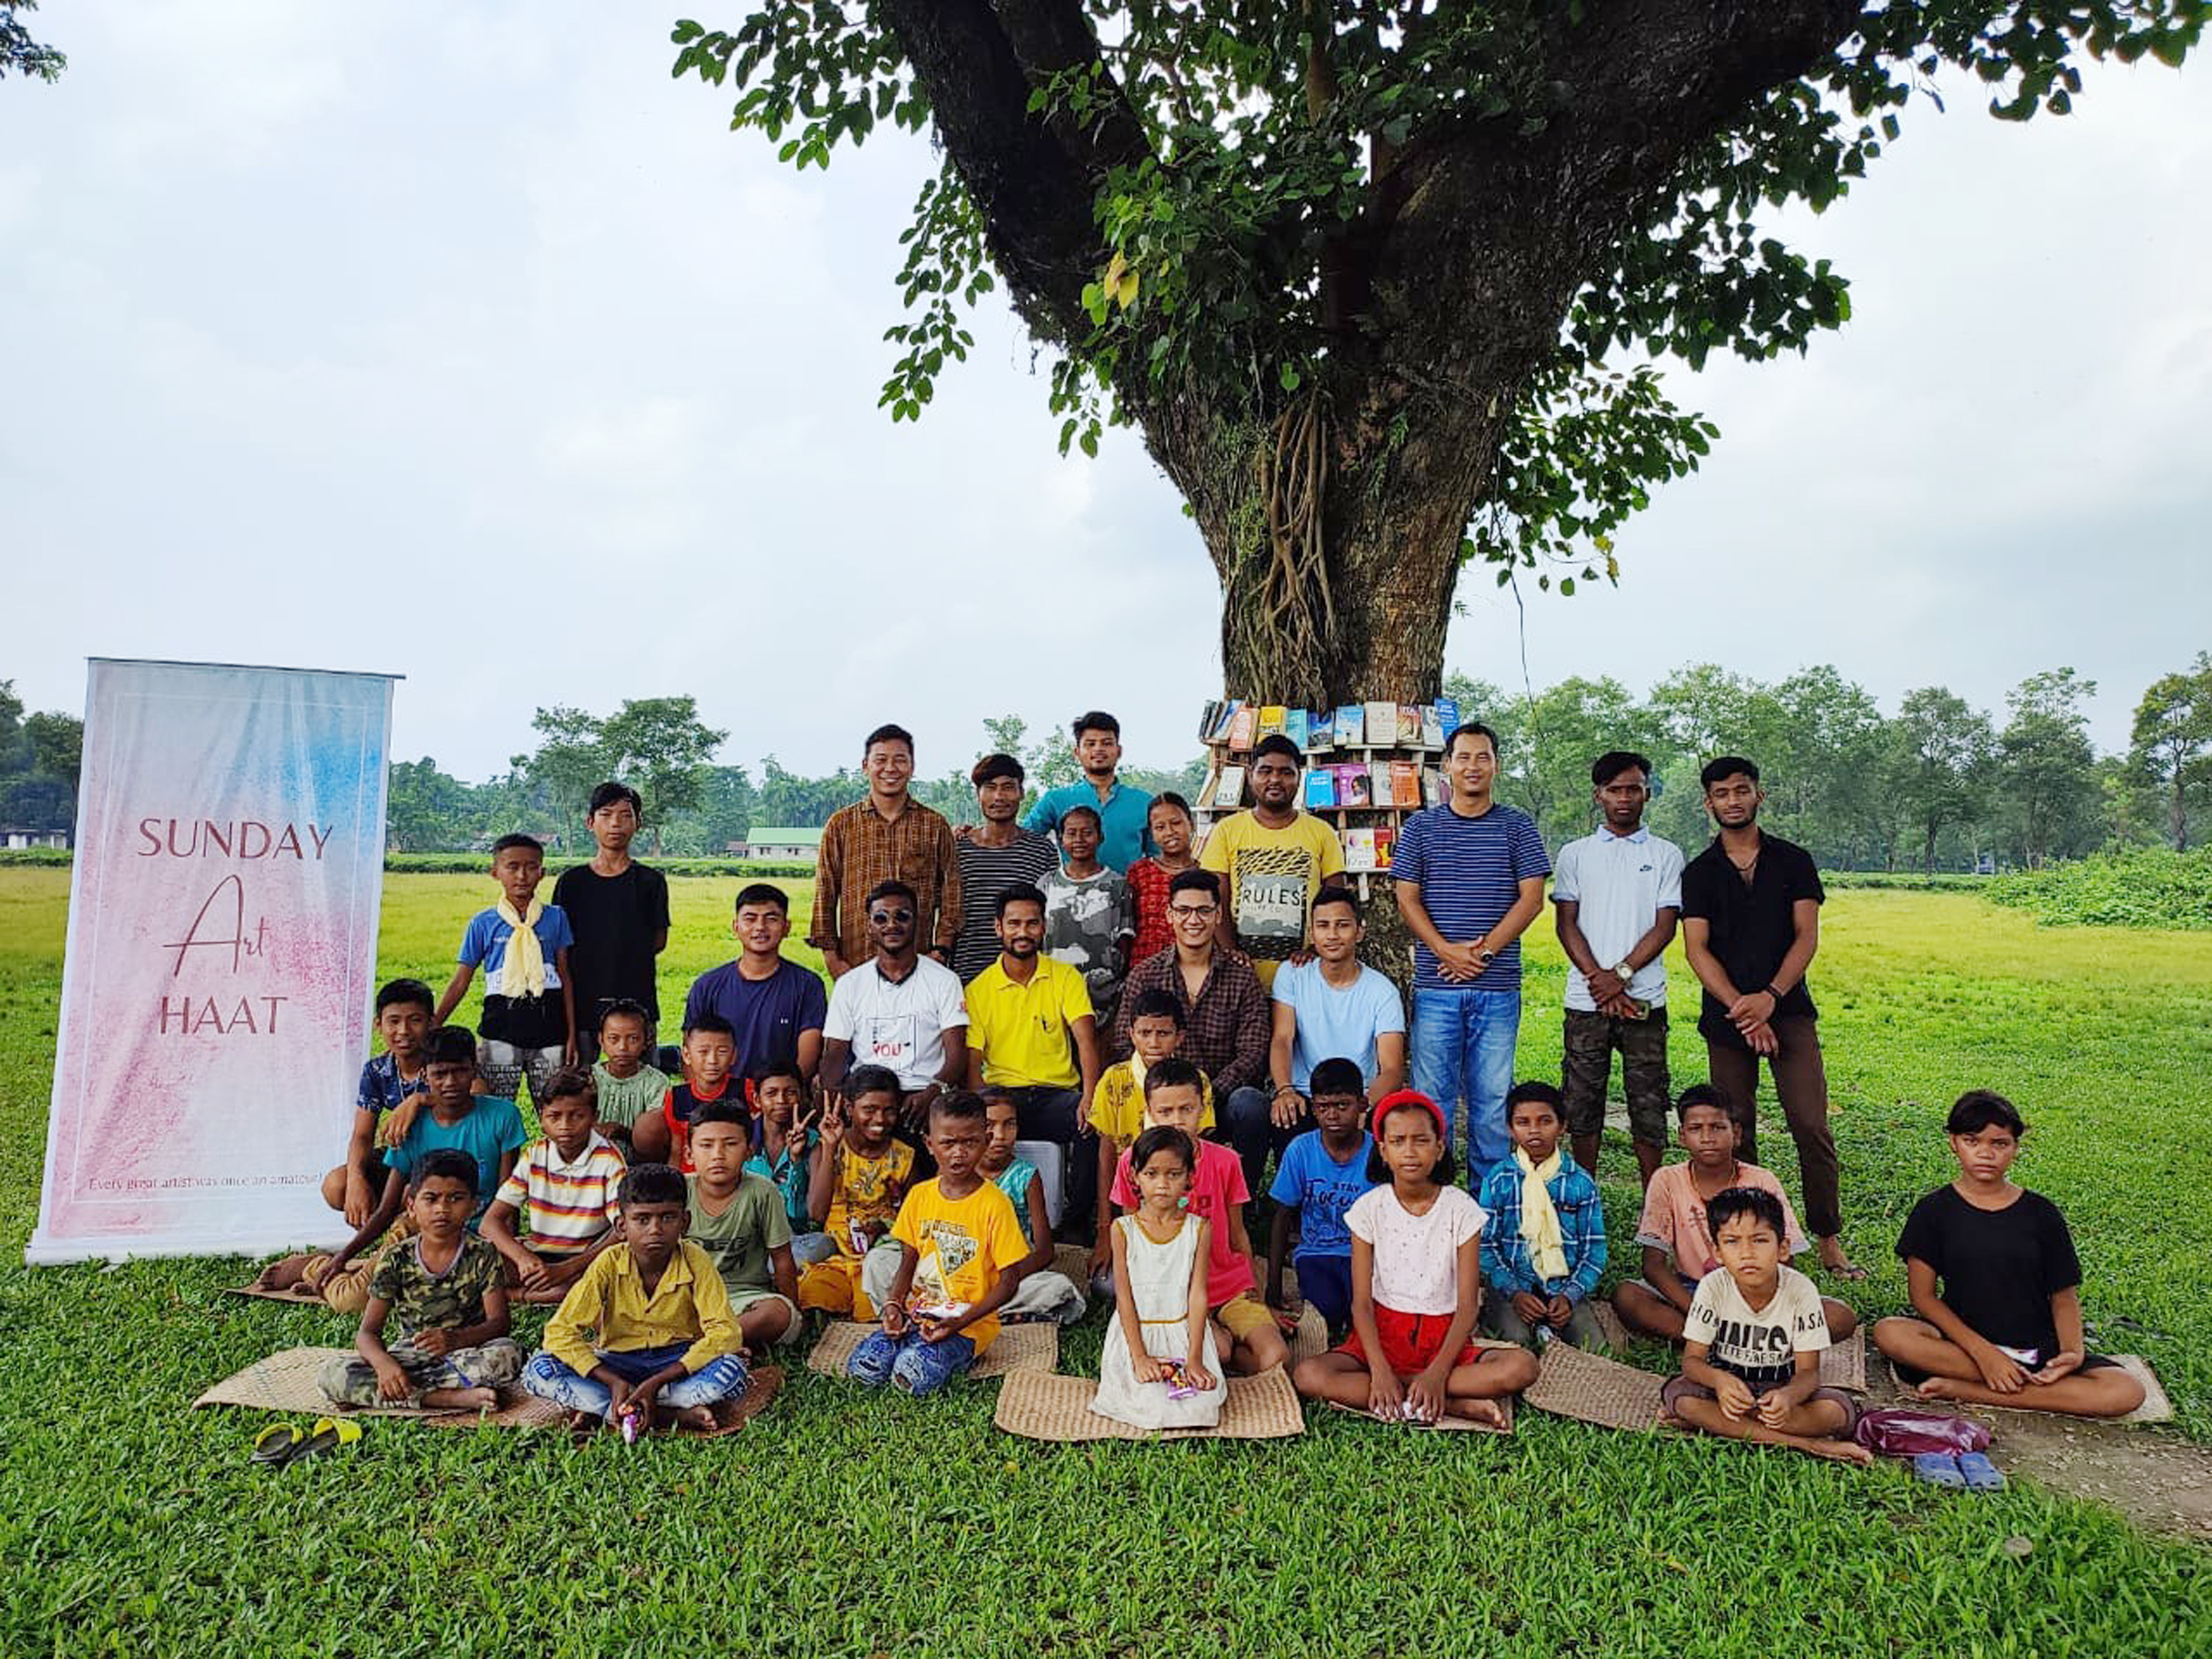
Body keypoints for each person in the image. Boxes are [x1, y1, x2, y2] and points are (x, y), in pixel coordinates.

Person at [1679, 756, 1862, 1278]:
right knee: (1736, 1128)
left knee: (1810, 1123)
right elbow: (1697, 948)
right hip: (1728, 1019)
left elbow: (1807, 935)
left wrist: (1771, 998)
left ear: (1760, 795)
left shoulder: (1792, 860)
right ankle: (1746, 1236)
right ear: (1708, 803)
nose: (1732, 800)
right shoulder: (1700, 871)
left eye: (1742, 790)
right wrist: (1745, 1009)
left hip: (1790, 1011)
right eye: (1721, 793)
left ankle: (1827, 1238)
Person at [1873, 1091, 2145, 1419]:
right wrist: (1984, 1354)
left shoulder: (2041, 1213)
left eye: (1999, 1143)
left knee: (2125, 1391)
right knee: (1890, 1332)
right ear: (1953, 1143)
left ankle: (1974, 1391)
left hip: (2036, 1346)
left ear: (2016, 1147)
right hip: (1963, 1347)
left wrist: (2072, 1353)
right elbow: (1923, 1297)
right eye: (1972, 1141)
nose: (1985, 1153)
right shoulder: (1933, 1212)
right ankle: (2010, 1381)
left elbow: (2063, 1295)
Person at [1291, 1089, 1538, 1425]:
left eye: (1421, 1140)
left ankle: (1424, 1391)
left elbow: (1468, 1306)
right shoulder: (1369, 1209)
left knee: (1523, 1367)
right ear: (1383, 1151)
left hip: (1444, 1338)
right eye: (1398, 1141)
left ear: (1439, 1148)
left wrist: (1437, 1373)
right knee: (1308, 1375)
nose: (1409, 1152)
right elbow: (1361, 1302)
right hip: (1383, 1335)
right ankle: (1453, 1403)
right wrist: (1379, 1370)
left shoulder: (1461, 1209)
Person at [1391, 722, 1549, 1178]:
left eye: (1483, 757)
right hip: (1436, 987)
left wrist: (1482, 954)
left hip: (1497, 988)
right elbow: (1407, 897)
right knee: (1432, 1100)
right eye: (1464, 757)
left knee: (1492, 1101)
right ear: (1447, 766)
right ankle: (1434, 1197)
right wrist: (1444, 951)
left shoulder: (1516, 825)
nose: (1473, 766)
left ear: (1496, 765)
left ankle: (1489, 1205)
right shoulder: (1421, 826)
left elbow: (1532, 898)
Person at [1612, 1085, 1856, 1342]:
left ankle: (1720, 1340)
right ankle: (1737, 1342)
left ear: (1736, 1133)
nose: (1707, 1137)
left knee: (1839, 1316)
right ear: (1682, 1136)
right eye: (1696, 1129)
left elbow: (1784, 1261)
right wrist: (1700, 1312)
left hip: (1755, 1291)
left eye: (1718, 1127)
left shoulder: (1761, 1180)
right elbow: (1653, 1265)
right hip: (1693, 1290)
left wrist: (1754, 1307)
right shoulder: (1667, 1179)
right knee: (1628, 1296)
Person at [309, 1026, 528, 1313]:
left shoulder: (503, 1116)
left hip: (479, 1238)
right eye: (440, 1074)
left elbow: (507, 1202)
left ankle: (363, 1266)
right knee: (352, 1300)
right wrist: (342, 1256)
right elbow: (387, 1210)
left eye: (460, 1071)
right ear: (425, 1075)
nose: (450, 1082)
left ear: (474, 1069)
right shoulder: (412, 1126)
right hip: (422, 1235)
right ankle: (314, 1266)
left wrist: (500, 1254)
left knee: (508, 1278)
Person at [521, 1162, 750, 1433]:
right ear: (621, 1225)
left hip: (675, 1363)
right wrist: (613, 1381)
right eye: (642, 1219)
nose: (655, 1229)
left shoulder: (696, 1260)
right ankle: (666, 1413)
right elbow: (559, 1332)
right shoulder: (608, 1262)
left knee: (731, 1372)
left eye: (668, 1217)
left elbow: (726, 1332)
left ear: (685, 1222)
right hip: (617, 1364)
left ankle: (611, 1408)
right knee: (538, 1370)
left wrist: (656, 1382)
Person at [1661, 1185, 1870, 1465]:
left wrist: (1789, 1396)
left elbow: (1809, 1373)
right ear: (1718, 1252)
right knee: (1682, 1397)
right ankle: (1806, 1444)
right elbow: (1692, 1362)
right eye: (1732, 1242)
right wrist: (1720, 1381)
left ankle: (1721, 1424)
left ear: (1782, 1248)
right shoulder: (1713, 1287)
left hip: (1780, 1385)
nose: (1746, 1253)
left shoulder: (1800, 1290)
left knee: (1837, 1411)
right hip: (1730, 1387)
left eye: (1759, 1240)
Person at [1107, 1059, 1288, 1376]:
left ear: (1203, 1107)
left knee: (1276, 1355)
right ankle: (1223, 1350)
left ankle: (1229, 1347)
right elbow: (1135, 1246)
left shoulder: (1226, 1162)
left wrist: (1256, 1295)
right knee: (1216, 1349)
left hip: (1227, 1286)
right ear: (1148, 1110)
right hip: (1172, 1293)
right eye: (1165, 1111)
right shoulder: (1132, 1163)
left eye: (1186, 1109)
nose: (1177, 1120)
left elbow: (1238, 1234)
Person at [1551, 750, 1683, 1185]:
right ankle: (1585, 1194)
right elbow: (1566, 923)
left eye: (1633, 789)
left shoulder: (1666, 854)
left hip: (1643, 999)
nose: (1624, 798)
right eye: (1614, 790)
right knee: (1582, 1100)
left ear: (1647, 792)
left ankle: (1656, 1200)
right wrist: (1599, 981)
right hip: (1585, 1001)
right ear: (1598, 795)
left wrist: (1620, 976)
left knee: (1648, 1102)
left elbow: (1665, 926)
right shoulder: (1575, 854)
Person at [847, 1091, 1028, 1397]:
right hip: (916, 1314)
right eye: (948, 1143)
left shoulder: (995, 1204)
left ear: (984, 1141)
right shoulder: (920, 1195)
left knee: (913, 1374)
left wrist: (960, 1321)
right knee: (864, 1366)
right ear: (930, 1145)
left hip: (968, 1327)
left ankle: (934, 1352)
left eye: (969, 1143)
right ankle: (909, 1342)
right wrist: (893, 1305)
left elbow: (1009, 1282)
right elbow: (908, 1260)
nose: (959, 1153)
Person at [319, 1148, 522, 1411]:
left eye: (455, 1198)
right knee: (333, 1374)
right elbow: (367, 1334)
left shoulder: (483, 1253)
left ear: (473, 1206)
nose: (442, 1208)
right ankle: (441, 1398)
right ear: (412, 1206)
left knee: (508, 1355)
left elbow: (500, 1323)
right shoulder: (396, 1257)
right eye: (431, 1198)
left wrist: (456, 1339)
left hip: (467, 1352)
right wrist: (385, 1366)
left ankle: (397, 1395)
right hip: (411, 1354)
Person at [1111, 869, 1272, 1197]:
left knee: (1252, 1105)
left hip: (1222, 1096)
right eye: (1183, 910)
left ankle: (1241, 1202)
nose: (1193, 920)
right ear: (1170, 915)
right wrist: (1169, 1097)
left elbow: (1254, 1053)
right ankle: (1126, 1204)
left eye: (1203, 910)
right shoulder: (1146, 974)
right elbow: (1123, 1042)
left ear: (1218, 915)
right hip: (1158, 1100)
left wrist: (1206, 1094)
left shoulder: (1242, 978)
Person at [963, 883, 1101, 1239]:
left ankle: (1075, 1224)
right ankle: (975, 1215)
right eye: (1014, 924)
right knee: (965, 1127)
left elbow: (1085, 1039)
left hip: (1056, 1093)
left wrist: (1089, 1096)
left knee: (1093, 1124)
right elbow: (973, 1059)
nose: (1022, 932)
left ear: (1044, 927)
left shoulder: (1065, 977)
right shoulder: (979, 989)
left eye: (1031, 923)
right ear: (998, 928)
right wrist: (978, 1108)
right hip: (1001, 1093)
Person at [1090, 1125, 1224, 1430]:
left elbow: (1197, 1294)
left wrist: (1194, 1358)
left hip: (1184, 1334)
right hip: (1136, 1336)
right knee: (1150, 1405)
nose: (1162, 1184)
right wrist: (1139, 1358)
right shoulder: (1122, 1229)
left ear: (1190, 1177)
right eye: (1151, 1174)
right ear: (1135, 1176)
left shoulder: (1198, 1229)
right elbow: (1124, 1297)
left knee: (1201, 1406)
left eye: (1173, 1174)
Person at [432, 834, 577, 1106]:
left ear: (542, 872)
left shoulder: (556, 917)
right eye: (512, 867)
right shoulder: (483, 923)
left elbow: (565, 976)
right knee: (494, 1109)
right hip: (500, 1030)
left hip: (550, 1030)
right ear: (495, 872)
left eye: (531, 867)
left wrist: (571, 1035)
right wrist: (435, 1022)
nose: (522, 875)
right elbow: (462, 979)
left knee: (556, 1107)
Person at [810, 722, 962, 979]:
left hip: (920, 965)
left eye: (900, 760)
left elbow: (952, 894)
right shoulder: (841, 824)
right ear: (865, 766)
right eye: (881, 760)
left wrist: (940, 950)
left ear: (912, 767)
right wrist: (832, 958)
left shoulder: (934, 825)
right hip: (856, 965)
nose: (890, 768)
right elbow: (825, 893)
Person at [818, 878, 969, 1129]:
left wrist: (934, 1091)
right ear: (869, 926)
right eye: (881, 918)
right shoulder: (849, 985)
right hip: (868, 1097)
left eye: (902, 917)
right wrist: (836, 1103)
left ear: (917, 923)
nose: (892, 925)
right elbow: (834, 1056)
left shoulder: (944, 980)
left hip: (925, 1096)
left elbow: (957, 1056)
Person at [1200, 733, 1344, 992]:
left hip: (1304, 977)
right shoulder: (1227, 831)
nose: (1275, 779)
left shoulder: (1322, 833)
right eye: (1265, 771)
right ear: (1251, 774)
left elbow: (1336, 902)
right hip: (1240, 979)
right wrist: (1231, 952)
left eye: (1286, 772)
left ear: (1299, 778)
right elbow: (1214, 899)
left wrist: (1314, 948)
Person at [1268, 885, 1407, 1150]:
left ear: (1360, 931)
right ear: (1312, 933)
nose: (1332, 935)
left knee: (1385, 1126)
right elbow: (1282, 1038)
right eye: (1323, 926)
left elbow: (1391, 1068)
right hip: (1306, 1096)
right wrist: (1284, 1090)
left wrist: (1362, 1106)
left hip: (1360, 1098)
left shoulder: (1382, 991)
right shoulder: (1292, 975)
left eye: (1342, 925)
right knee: (1286, 1116)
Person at [1086, 988, 1219, 1266]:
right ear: (1131, 1034)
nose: (1154, 1043)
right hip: (1130, 1197)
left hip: (1184, 1199)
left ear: (1179, 1036)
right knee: (1109, 1284)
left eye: (1164, 1033)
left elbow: (1200, 1156)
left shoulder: (1195, 1082)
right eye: (1145, 1033)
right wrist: (1103, 1229)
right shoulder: (1114, 1080)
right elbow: (1106, 1153)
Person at [1475, 1082, 1608, 1350]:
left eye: (1545, 1121)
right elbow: (1485, 1245)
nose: (1534, 1130)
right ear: (1510, 1130)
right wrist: (1514, 1293)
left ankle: (1551, 1324)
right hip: (1513, 1286)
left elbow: (1595, 1249)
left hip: (1563, 1286)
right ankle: (1528, 1324)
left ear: (1562, 1126)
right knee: (1517, 1341)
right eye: (1523, 1122)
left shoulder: (1580, 1182)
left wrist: (1571, 1296)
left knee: (1594, 1346)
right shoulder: (1499, 1179)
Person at [479, 1066, 627, 1305]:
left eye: (577, 1116)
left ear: (594, 1116)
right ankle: (543, 1290)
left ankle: (518, 1295)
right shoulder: (536, 1155)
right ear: (541, 1118)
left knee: (609, 1274)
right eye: (554, 1116)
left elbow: (622, 1230)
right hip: (540, 1254)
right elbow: (490, 1223)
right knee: (479, 1256)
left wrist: (565, 1269)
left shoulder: (609, 1160)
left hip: (585, 1258)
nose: (565, 1126)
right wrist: (523, 1259)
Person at [551, 781, 670, 1061]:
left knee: (643, 1082)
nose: (615, 823)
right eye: (606, 815)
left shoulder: (651, 882)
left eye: (625, 815)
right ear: (590, 822)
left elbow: (658, 940)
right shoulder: (571, 883)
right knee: (580, 1084)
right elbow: (561, 949)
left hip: (637, 1001)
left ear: (638, 823)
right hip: (582, 1004)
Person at [1263, 1058, 1375, 1339]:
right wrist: (1273, 1285)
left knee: (1365, 1311)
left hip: (1367, 1255)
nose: (1333, 1115)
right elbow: (1282, 1215)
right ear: (1314, 1109)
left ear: (1361, 1105)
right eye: (1324, 1107)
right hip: (1316, 1253)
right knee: (1327, 1311)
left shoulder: (1377, 1151)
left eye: (1342, 1105)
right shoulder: (1301, 1150)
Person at [796, 1066, 916, 1318]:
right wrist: (830, 1147)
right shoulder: (826, 1149)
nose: (880, 1120)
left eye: (889, 1110)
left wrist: (883, 1227)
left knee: (870, 1309)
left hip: (880, 1257)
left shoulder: (905, 1157)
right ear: (850, 1109)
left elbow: (913, 1220)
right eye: (869, 1110)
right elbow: (817, 1213)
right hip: (835, 1255)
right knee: (813, 1295)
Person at [683, 883, 828, 1087]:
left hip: (780, 1102)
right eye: (750, 919)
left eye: (771, 918)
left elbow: (809, 1053)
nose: (760, 927)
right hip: (721, 1105)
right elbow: (691, 1051)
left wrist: (781, 1097)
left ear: (787, 927)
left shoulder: (807, 985)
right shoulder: (707, 986)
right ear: (736, 927)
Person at [685, 1098, 802, 1350]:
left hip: (743, 1298)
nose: (718, 1155)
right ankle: (721, 1345)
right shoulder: (677, 1191)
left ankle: (701, 1346)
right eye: (706, 1145)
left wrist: (794, 1310)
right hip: (686, 1296)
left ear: (749, 1150)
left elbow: (782, 1258)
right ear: (689, 1153)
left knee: (778, 1314)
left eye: (730, 1144)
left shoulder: (763, 1191)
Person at [321, 976, 434, 1227]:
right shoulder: (377, 1070)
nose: (403, 1031)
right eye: (393, 1021)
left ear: (431, 1023)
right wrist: (356, 1179)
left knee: (413, 1195)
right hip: (399, 1157)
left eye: (415, 1020)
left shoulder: (441, 1058)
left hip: (441, 1158)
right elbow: (362, 1135)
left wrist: (421, 1099)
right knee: (336, 1185)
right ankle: (395, 1221)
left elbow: (477, 1094)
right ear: (378, 1025)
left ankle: (407, 1227)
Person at [976, 1088, 1086, 1324]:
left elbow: (1045, 1251)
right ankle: (998, 1313)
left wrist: (1004, 1280)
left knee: (1057, 1289)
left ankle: (981, 1310)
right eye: (989, 1125)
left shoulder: (1026, 1176)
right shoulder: (959, 1172)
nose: (1001, 1135)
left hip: (1011, 1268)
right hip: (965, 1264)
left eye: (1009, 1125)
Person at [951, 753, 1058, 982]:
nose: (999, 796)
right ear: (978, 795)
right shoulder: (957, 849)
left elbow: (1050, 915)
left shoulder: (1041, 851)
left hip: (1029, 978)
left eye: (1008, 787)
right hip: (968, 975)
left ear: (1021, 793)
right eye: (990, 788)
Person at [1038, 804, 1135, 1028]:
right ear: (1061, 839)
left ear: (1100, 837)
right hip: (1053, 992)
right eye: (1071, 833)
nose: (1079, 839)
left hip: (1102, 996)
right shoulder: (1047, 884)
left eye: (1087, 832)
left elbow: (1125, 941)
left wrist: (1116, 987)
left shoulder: (1117, 885)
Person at [1023, 710, 1155, 873]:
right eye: (1090, 744)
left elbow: (1159, 858)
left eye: (1106, 743)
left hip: (1129, 894)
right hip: (1072, 895)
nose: (1098, 750)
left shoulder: (1144, 802)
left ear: (1119, 751)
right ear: (1077, 752)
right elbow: (1023, 841)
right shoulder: (1055, 800)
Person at [744, 1058, 834, 1266]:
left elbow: (817, 1214)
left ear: (801, 1097)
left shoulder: (814, 1142)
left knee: (824, 1244)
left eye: (790, 1092)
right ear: (757, 1099)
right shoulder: (743, 1139)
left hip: (798, 1240)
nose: (781, 1100)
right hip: (751, 1237)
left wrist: (797, 1160)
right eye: (771, 1093)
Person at [631, 1012, 740, 1172]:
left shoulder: (746, 1091)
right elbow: (677, 1149)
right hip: (692, 1178)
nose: (712, 1060)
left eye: (722, 1052)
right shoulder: (677, 1097)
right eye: (703, 1052)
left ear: (734, 1056)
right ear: (687, 1056)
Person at [586, 998, 670, 1157]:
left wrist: (622, 1132)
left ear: (647, 1041)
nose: (623, 1047)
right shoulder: (589, 1078)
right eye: (614, 1039)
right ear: (601, 1040)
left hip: (641, 1160)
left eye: (633, 1039)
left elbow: (656, 1134)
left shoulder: (657, 1082)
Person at [1124, 791, 1198, 968]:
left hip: (1191, 969)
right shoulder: (1139, 873)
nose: (1170, 832)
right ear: (1152, 833)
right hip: (1144, 968)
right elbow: (1126, 929)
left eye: (1176, 823)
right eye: (1160, 827)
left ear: (1191, 824)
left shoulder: (1206, 872)